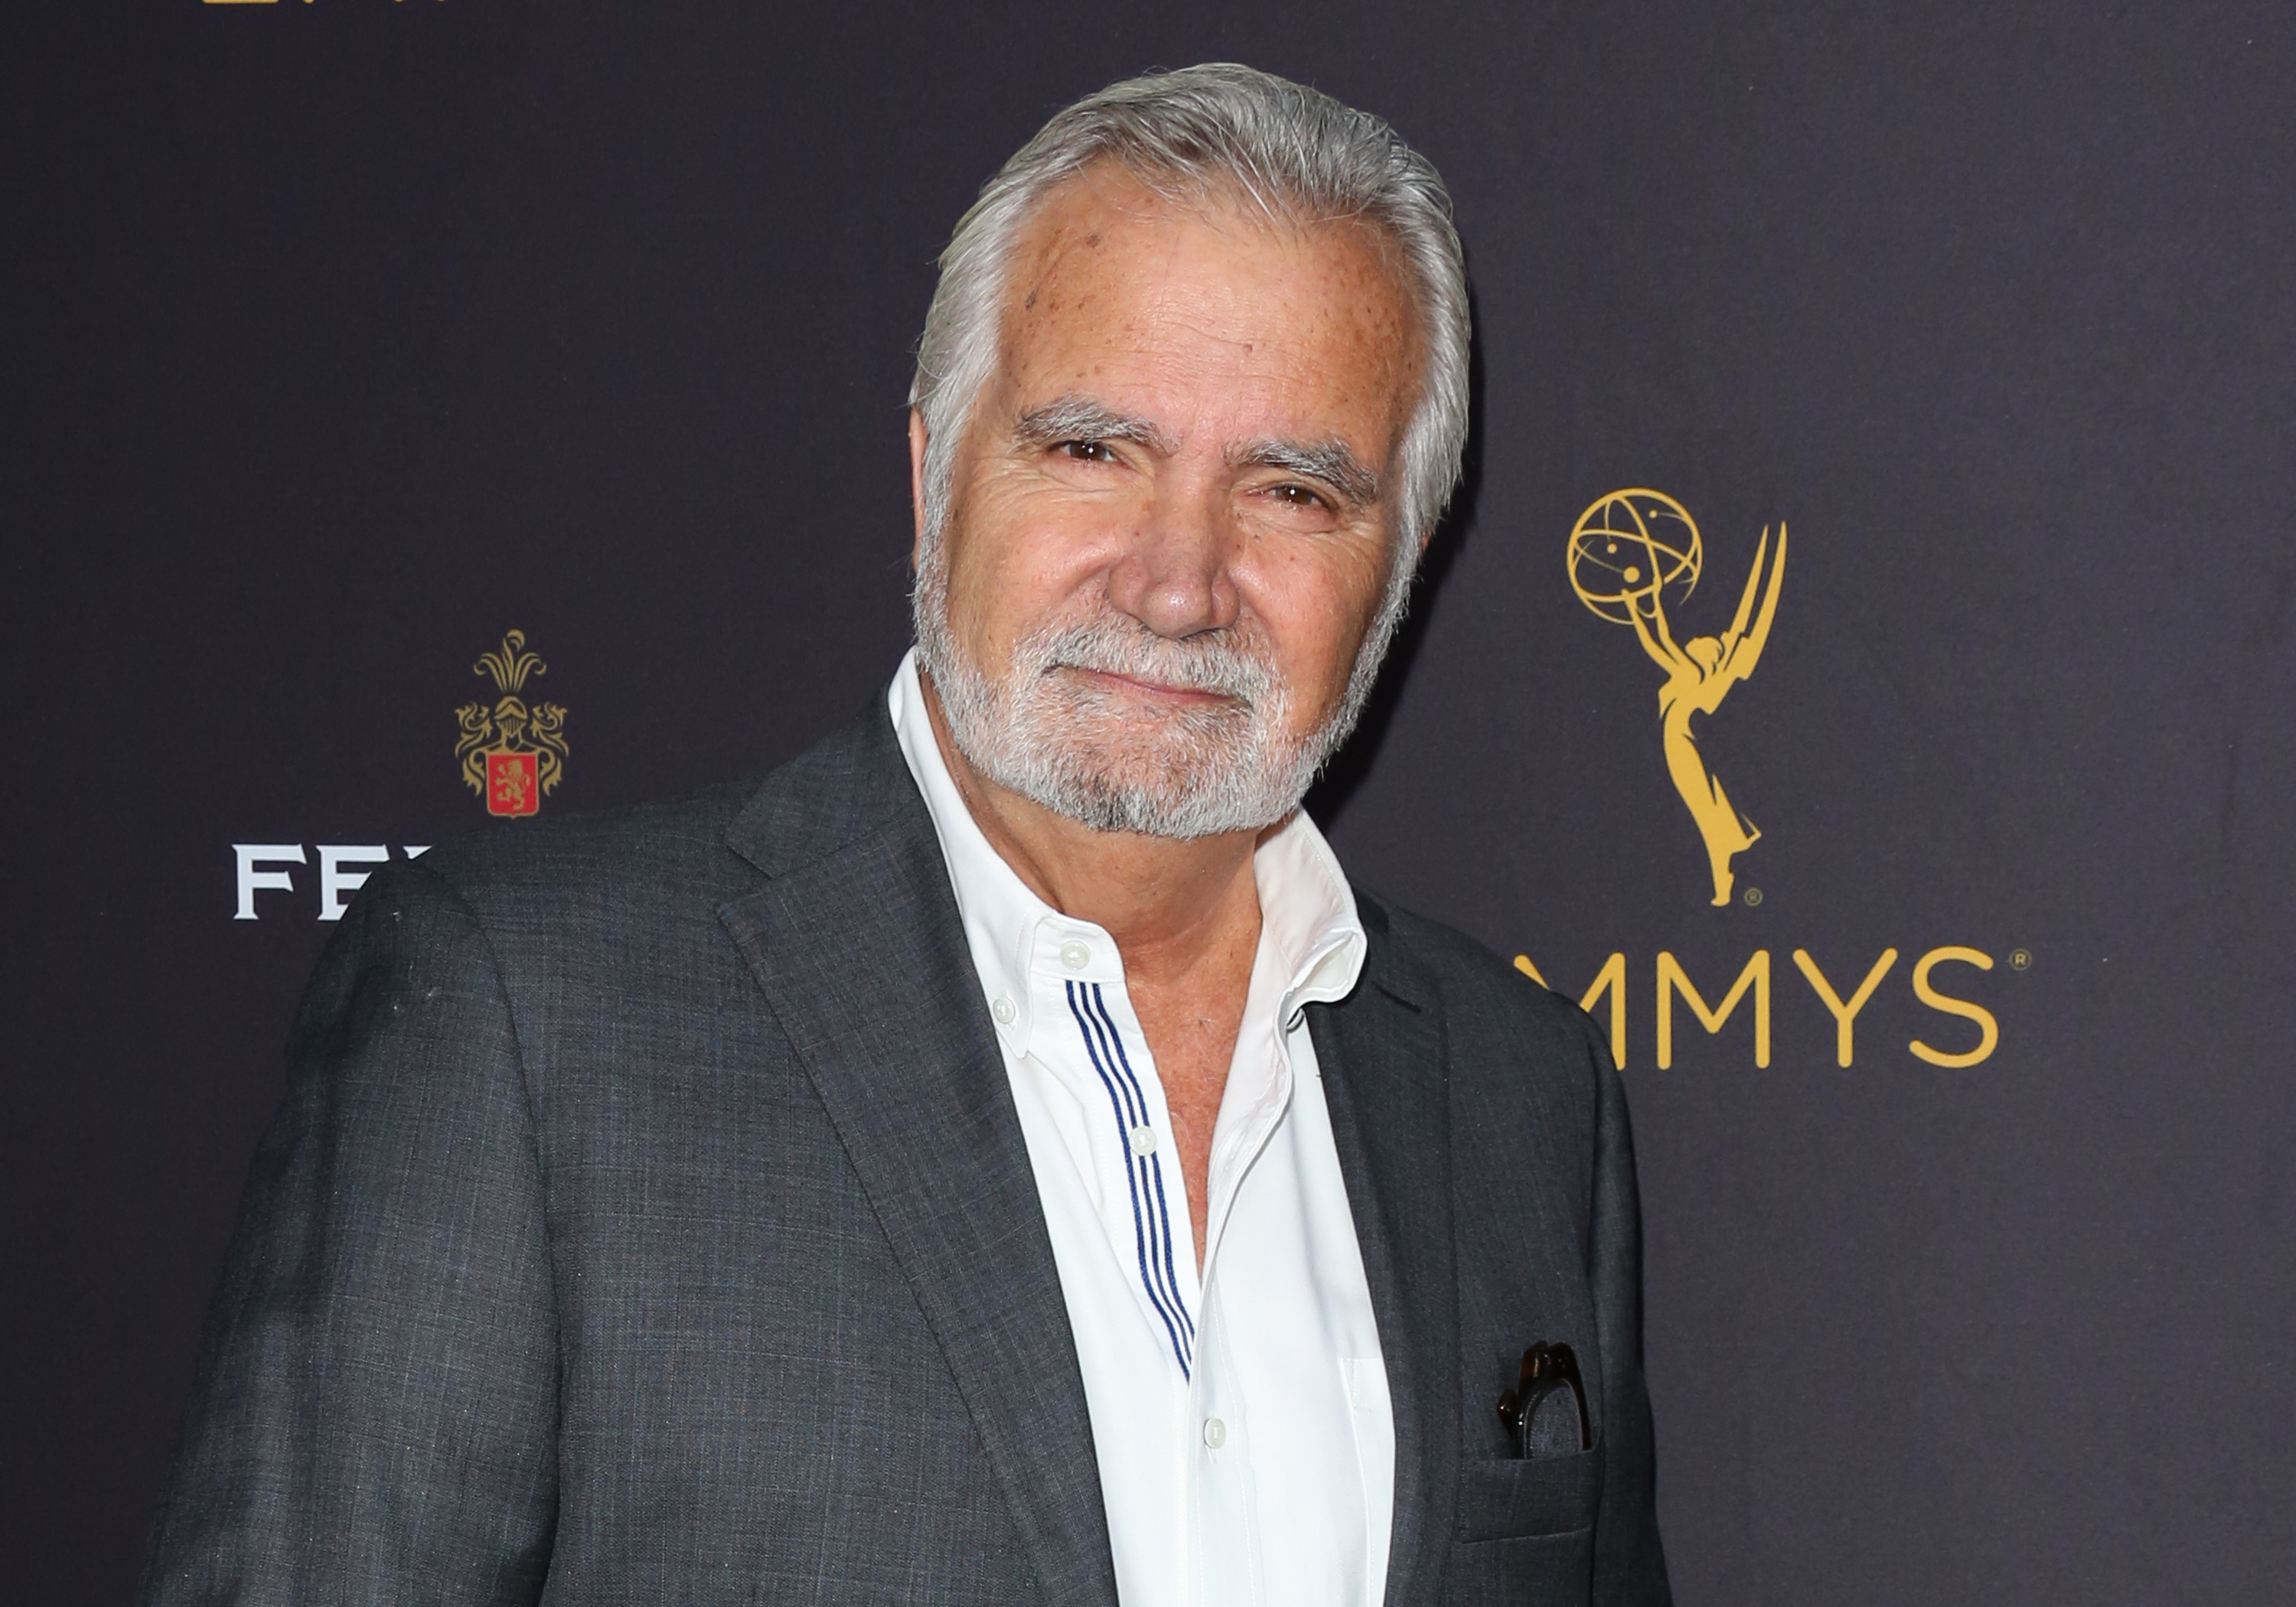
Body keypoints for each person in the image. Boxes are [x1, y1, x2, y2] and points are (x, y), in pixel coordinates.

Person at [141, 64, 1670, 1607]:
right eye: (1092, 450)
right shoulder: (525, 1022)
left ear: (1400, 560)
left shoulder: (1517, 1092)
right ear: (936, 472)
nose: (1178, 580)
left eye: (1291, 488)